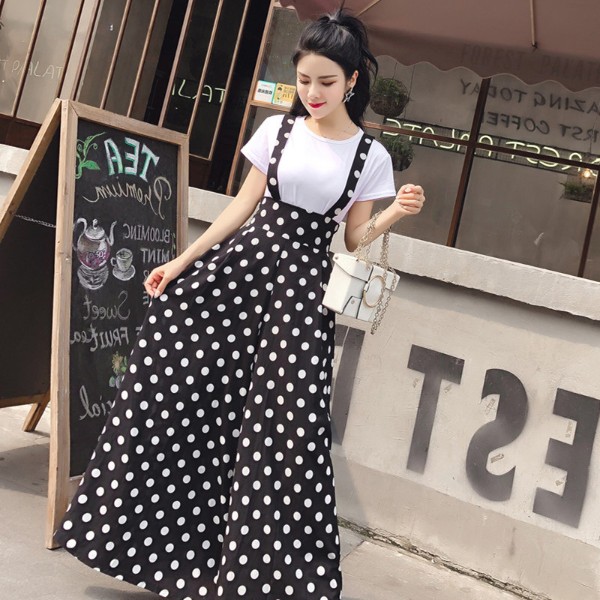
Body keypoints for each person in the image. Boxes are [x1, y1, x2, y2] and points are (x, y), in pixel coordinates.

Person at [54, 8, 425, 600]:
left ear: (353, 81)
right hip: (240, 275)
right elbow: (242, 207)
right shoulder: (278, 131)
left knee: (285, 427)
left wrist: (394, 214)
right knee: (189, 399)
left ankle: (259, 580)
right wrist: (181, 262)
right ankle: (160, 551)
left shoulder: (370, 155)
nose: (313, 93)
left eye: (327, 82)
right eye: (304, 80)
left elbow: (354, 239)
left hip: (302, 297)